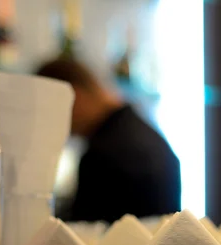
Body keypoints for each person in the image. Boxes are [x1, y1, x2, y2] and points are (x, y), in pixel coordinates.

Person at [37, 58, 181, 223]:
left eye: (50, 113)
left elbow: (84, 234)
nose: (54, 126)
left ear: (74, 97)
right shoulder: (140, 131)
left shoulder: (103, 153)